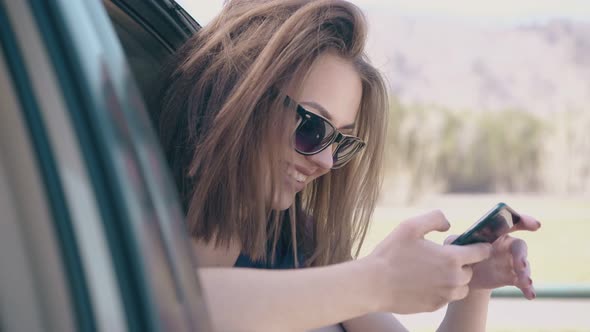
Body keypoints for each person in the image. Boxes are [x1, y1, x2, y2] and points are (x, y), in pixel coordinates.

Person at [151, 0, 541, 331]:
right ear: (243, 95)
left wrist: (473, 286)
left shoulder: (298, 240)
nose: (325, 161)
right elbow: (165, 309)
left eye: (341, 142)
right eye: (313, 127)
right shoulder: (134, 219)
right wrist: (379, 279)